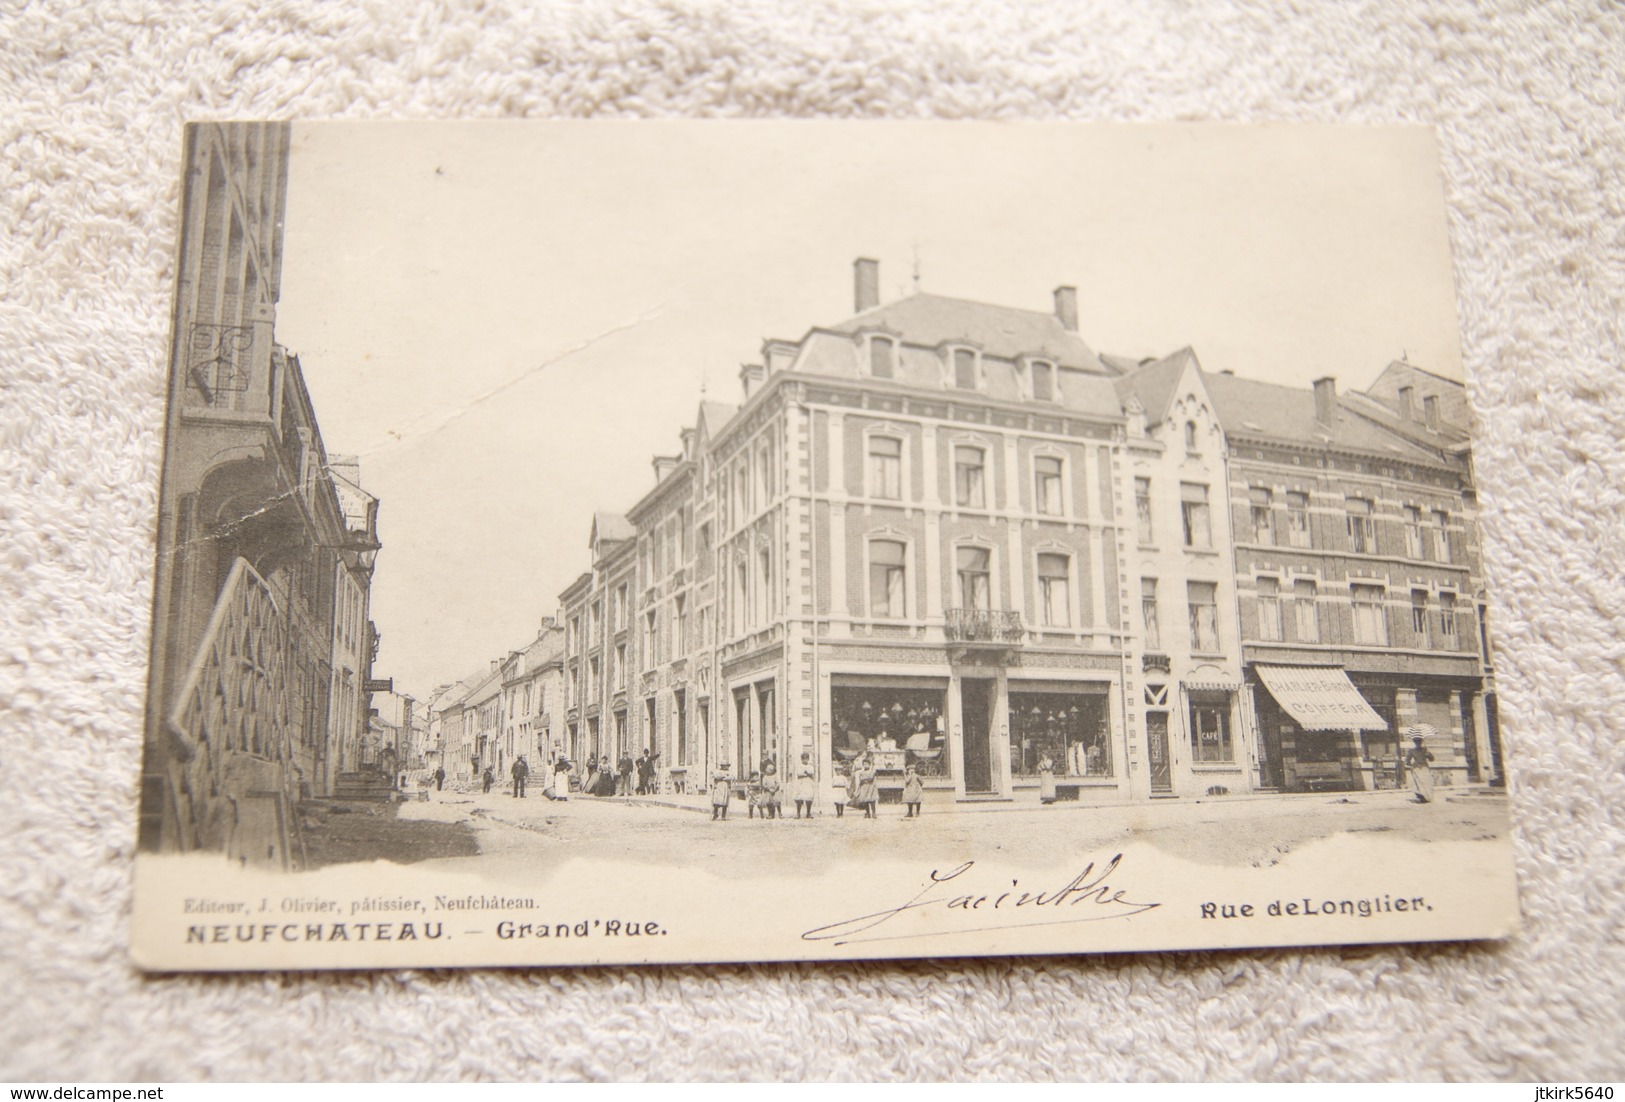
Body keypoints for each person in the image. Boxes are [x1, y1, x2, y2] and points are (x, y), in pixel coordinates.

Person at [1405, 735, 1436, 803]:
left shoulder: (1425, 750)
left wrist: (1429, 755)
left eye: (1419, 741)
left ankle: (1428, 797)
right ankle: (1421, 796)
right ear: (1414, 743)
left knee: (1428, 782)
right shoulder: (1412, 751)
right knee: (1419, 783)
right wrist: (1412, 765)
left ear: (1421, 742)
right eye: (1416, 742)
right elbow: (1407, 761)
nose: (1418, 743)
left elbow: (1432, 759)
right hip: (1417, 769)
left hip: (1425, 768)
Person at [852, 754, 878, 819]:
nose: (865, 765)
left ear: (869, 765)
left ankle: (874, 813)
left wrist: (865, 779)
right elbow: (860, 780)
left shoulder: (872, 771)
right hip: (864, 787)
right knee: (865, 801)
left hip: (871, 787)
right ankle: (868, 813)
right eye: (864, 764)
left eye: (867, 764)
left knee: (872, 801)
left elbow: (871, 778)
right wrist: (864, 780)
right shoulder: (861, 772)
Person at [792, 752, 816, 819]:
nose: (805, 760)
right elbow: (799, 774)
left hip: (808, 783)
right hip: (801, 783)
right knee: (799, 798)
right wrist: (806, 773)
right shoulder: (799, 766)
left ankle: (808, 813)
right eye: (803, 759)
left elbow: (811, 773)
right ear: (801, 759)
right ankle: (798, 813)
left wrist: (807, 773)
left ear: (808, 759)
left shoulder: (810, 766)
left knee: (809, 798)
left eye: (806, 759)